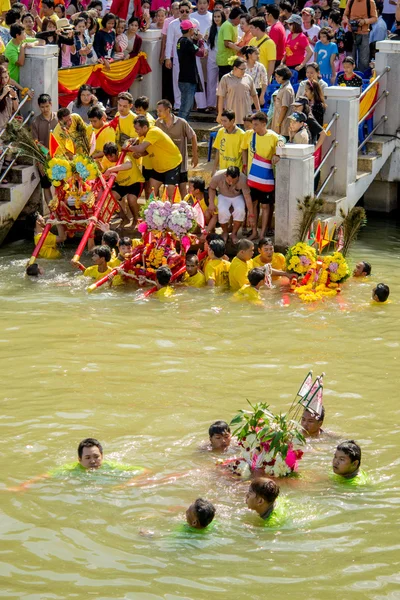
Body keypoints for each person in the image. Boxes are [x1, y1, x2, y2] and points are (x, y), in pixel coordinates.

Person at [241, 111, 280, 239]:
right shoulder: (249, 134)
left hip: (267, 177)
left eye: (256, 124)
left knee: (265, 205)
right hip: (252, 176)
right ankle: (254, 232)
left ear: (264, 124)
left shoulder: (273, 137)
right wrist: (245, 165)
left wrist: (276, 154)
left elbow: (281, 145)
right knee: (253, 204)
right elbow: (244, 149)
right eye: (253, 124)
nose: (254, 127)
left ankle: (262, 233)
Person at [126, 115, 182, 199]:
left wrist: (126, 148)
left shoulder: (153, 132)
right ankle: (154, 210)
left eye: (137, 129)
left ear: (145, 127)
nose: (135, 131)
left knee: (170, 192)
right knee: (151, 190)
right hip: (158, 167)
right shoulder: (142, 136)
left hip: (172, 165)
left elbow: (141, 148)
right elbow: (146, 151)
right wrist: (139, 154)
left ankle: (173, 211)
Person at [165, 1, 205, 112]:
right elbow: (169, 42)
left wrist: (199, 40)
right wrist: (167, 57)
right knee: (177, 80)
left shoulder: (195, 22)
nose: (184, 13)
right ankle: (178, 105)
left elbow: (197, 38)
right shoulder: (173, 24)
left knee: (197, 78)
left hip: (193, 55)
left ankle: (199, 104)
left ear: (190, 10)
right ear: (178, 10)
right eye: (181, 11)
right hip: (179, 58)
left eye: (186, 11)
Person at [101, 141, 144, 227]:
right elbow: (102, 172)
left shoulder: (124, 156)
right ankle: (124, 218)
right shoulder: (105, 160)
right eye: (107, 156)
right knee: (110, 198)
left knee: (131, 199)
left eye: (111, 156)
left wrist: (110, 169)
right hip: (121, 184)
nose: (110, 159)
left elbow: (129, 165)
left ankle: (136, 219)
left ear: (117, 152)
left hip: (135, 182)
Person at [208, 166, 253, 244]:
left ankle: (234, 233)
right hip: (223, 195)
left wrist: (251, 214)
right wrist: (211, 203)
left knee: (240, 210)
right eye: (229, 180)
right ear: (225, 175)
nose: (231, 183)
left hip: (237, 196)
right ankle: (225, 232)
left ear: (238, 177)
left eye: (234, 181)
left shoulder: (243, 179)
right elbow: (211, 188)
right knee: (222, 210)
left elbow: (247, 197)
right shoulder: (218, 176)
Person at [30, 93, 58, 205]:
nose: (45, 109)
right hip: (43, 160)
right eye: (42, 107)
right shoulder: (35, 122)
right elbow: (35, 143)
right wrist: (40, 161)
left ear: (51, 104)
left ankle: (61, 212)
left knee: (60, 186)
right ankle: (52, 213)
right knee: (46, 187)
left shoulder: (58, 118)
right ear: (38, 106)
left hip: (59, 158)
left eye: (47, 106)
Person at [217, 57, 260, 127]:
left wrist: (258, 111)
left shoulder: (248, 78)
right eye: (242, 69)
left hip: (246, 117)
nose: (244, 71)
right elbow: (221, 97)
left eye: (245, 69)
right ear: (235, 68)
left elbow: (254, 95)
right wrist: (220, 113)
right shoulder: (226, 78)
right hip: (231, 117)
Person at [176, 19, 205, 121]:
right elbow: (201, 53)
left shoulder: (180, 40)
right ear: (190, 30)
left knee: (186, 106)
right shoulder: (187, 42)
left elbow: (191, 49)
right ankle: (179, 128)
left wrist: (196, 41)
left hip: (183, 78)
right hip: (188, 79)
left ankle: (183, 128)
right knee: (185, 108)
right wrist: (201, 41)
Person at [343, 0, 378, 73]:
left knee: (364, 60)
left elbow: (375, 18)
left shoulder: (370, 2)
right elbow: (345, 15)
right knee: (350, 59)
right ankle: (350, 77)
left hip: (364, 34)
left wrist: (364, 21)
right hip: (351, 33)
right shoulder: (351, 1)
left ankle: (363, 78)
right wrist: (348, 21)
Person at [212, 108, 245, 174]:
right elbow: (218, 150)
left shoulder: (241, 134)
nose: (222, 123)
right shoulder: (220, 131)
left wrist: (244, 171)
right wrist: (214, 168)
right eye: (222, 121)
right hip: (222, 170)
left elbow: (243, 155)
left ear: (232, 121)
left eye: (225, 121)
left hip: (235, 172)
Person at [281, 14, 313, 81]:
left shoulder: (302, 37)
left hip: (298, 68)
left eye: (290, 24)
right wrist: (282, 62)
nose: (288, 26)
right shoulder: (290, 35)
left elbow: (310, 52)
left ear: (296, 25)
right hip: (288, 67)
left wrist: (301, 65)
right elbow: (287, 50)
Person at [205, 8, 225, 111]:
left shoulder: (225, 28)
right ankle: (211, 104)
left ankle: (223, 106)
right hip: (212, 58)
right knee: (211, 82)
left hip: (223, 58)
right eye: (215, 17)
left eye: (218, 16)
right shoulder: (209, 29)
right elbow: (206, 43)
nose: (216, 18)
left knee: (223, 83)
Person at [216, 5, 243, 80]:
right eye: (240, 19)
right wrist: (240, 49)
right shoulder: (227, 25)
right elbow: (227, 43)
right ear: (237, 17)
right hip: (225, 61)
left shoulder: (233, 25)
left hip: (230, 59)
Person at [248, 16, 276, 83]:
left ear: (257, 28)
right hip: (251, 77)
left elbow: (271, 62)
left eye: (251, 28)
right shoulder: (252, 40)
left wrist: (268, 78)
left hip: (262, 79)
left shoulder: (270, 43)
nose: (250, 30)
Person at [271, 64, 294, 137]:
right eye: (276, 76)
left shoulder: (287, 89)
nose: (276, 78)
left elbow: (284, 108)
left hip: (283, 125)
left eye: (279, 77)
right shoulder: (283, 87)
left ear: (284, 76)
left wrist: (278, 124)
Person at [0, 65, 19, 133]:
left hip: (8, 127)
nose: (4, 80)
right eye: (2, 78)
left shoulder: (10, 89)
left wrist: (14, 97)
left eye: (6, 77)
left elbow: (16, 109)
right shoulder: (4, 91)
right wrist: (3, 94)